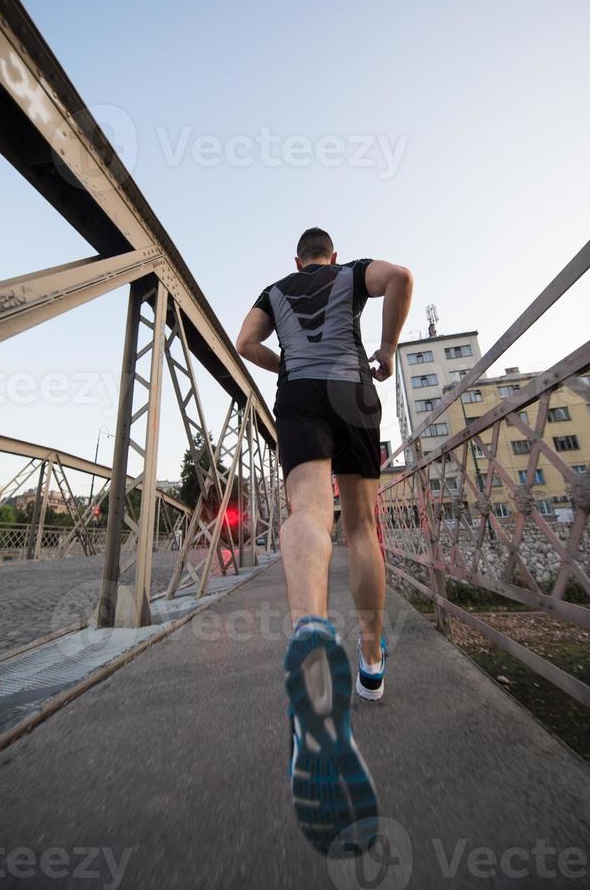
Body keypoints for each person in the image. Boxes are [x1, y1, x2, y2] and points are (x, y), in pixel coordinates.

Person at [236, 227, 413, 855]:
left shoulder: (275, 288)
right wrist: (387, 350)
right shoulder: (353, 273)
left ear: (297, 260)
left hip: (300, 395)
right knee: (363, 525)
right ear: (332, 257)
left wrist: (285, 363)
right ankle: (369, 662)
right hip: (353, 389)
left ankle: (310, 629)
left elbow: (243, 342)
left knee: (309, 508)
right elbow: (402, 279)